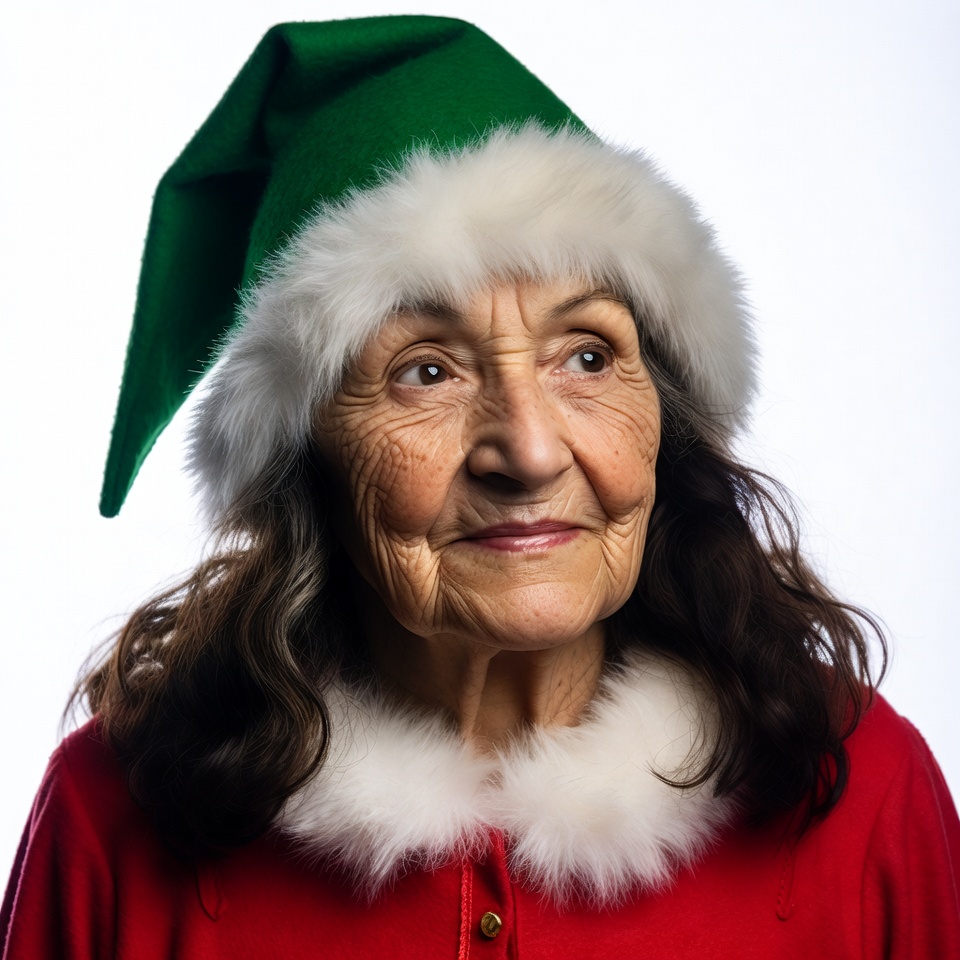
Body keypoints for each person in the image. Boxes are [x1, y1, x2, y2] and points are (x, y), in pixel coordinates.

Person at [3, 16, 958, 959]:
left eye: (587, 356)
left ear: (669, 416)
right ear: (305, 460)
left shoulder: (865, 790)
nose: (532, 453)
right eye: (426, 371)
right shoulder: (108, 817)